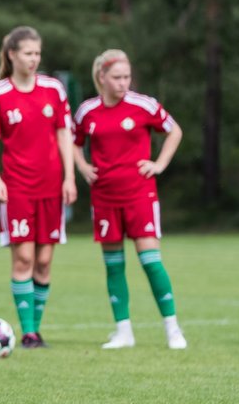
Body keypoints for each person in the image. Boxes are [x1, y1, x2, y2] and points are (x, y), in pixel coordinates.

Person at [73, 49, 186, 350]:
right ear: (102, 78)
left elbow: (174, 131)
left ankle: (172, 329)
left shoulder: (143, 105)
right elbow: (73, 141)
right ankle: (124, 331)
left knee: (151, 261)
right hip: (105, 198)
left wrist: (159, 164)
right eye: (117, 77)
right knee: (114, 265)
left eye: (127, 77)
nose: (124, 83)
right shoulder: (87, 111)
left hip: (140, 195)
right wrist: (82, 166)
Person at [0, 26, 76, 349]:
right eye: (28, 53)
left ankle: (36, 327)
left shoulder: (54, 89)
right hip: (17, 186)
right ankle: (29, 332)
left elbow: (65, 134)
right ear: (12, 55)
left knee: (45, 261)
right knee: (23, 257)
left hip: (51, 186)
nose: (34, 59)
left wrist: (69, 177)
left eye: (37, 54)